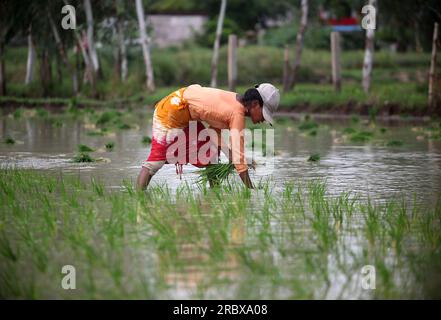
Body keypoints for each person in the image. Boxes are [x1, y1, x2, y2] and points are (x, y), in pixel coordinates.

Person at [136, 83, 280, 190]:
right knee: (155, 162)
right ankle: (137, 200)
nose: (263, 120)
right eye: (264, 113)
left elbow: (214, 133)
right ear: (255, 104)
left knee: (209, 152)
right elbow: (239, 157)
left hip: (184, 112)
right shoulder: (237, 114)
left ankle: (214, 192)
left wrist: (232, 156)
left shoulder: (234, 103)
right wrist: (251, 190)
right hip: (172, 110)